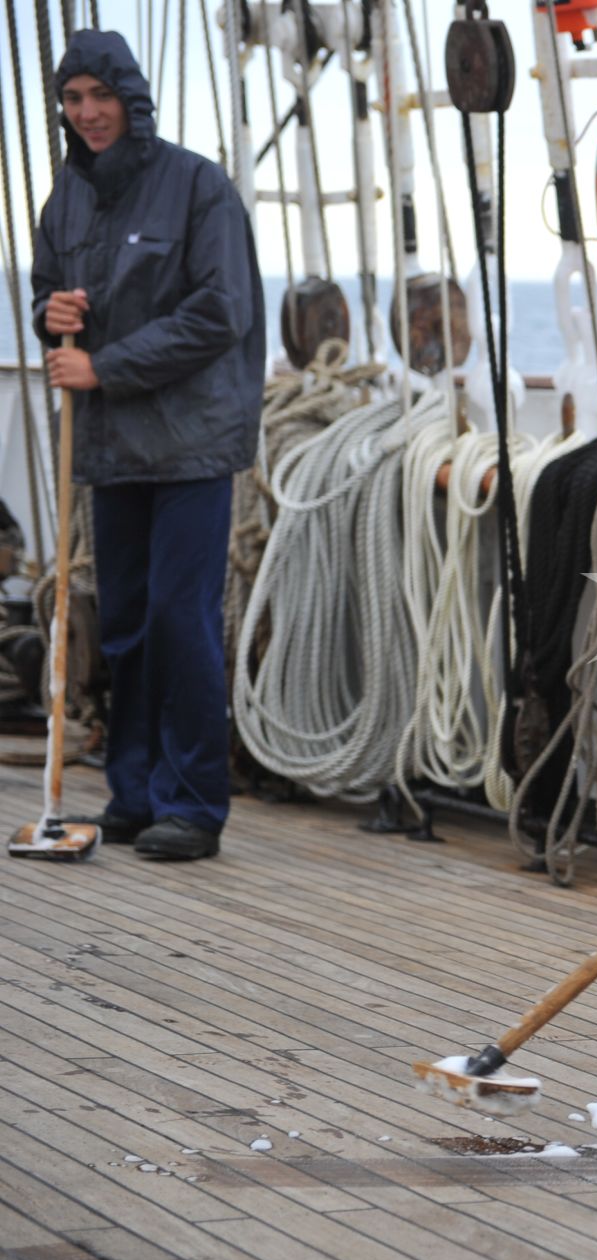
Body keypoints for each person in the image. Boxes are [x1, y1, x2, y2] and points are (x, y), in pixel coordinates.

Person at [31, 30, 265, 861]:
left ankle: (195, 803)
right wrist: (49, 318)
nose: (88, 113)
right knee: (124, 620)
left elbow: (220, 312)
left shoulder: (198, 187)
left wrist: (105, 366)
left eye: (101, 96)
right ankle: (134, 791)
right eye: (72, 99)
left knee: (179, 620)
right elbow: (50, 296)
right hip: (110, 446)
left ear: (132, 99)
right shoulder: (66, 199)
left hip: (192, 445)